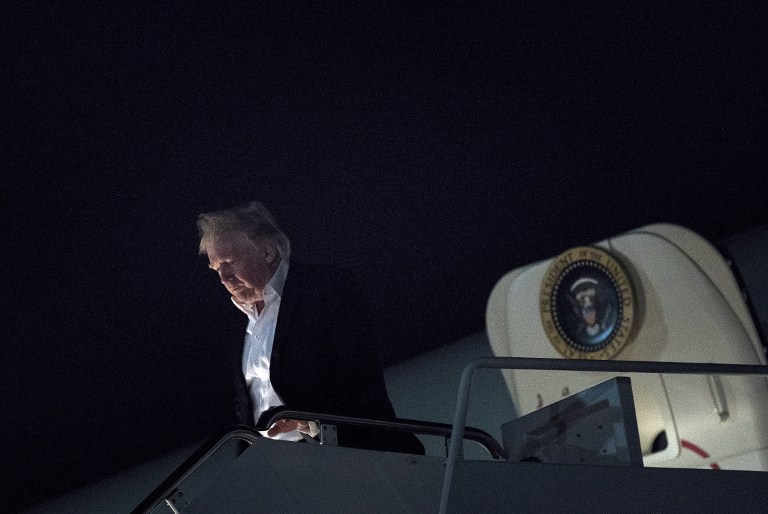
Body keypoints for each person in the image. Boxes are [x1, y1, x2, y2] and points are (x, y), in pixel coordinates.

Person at [197, 201, 424, 454]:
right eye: (216, 268)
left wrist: (311, 424)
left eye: (229, 262)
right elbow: (247, 410)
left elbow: (361, 380)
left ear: (267, 252)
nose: (223, 278)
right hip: (270, 469)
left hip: (344, 458)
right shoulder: (235, 326)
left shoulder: (329, 289)